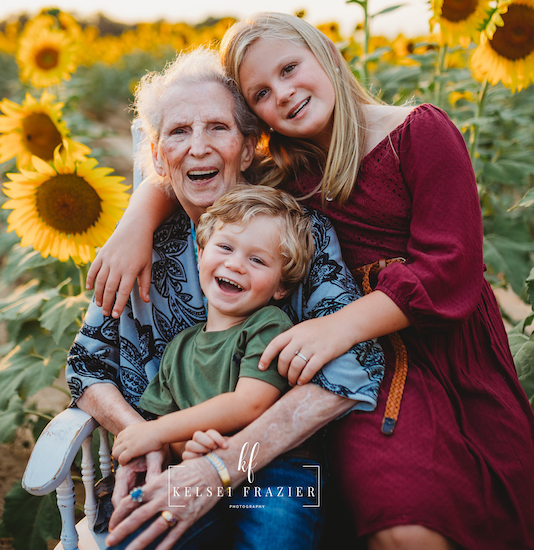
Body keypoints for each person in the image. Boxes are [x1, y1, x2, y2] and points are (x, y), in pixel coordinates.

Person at [102, 14, 534, 550]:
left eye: (290, 69)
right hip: (370, 369)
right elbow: (197, 164)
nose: (284, 94)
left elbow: (450, 268)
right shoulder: (287, 170)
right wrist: (137, 217)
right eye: (262, 92)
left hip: (441, 347)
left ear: (328, 54)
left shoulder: (418, 131)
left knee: (462, 505)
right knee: (399, 515)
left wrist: (336, 328)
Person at [66, 47, 382, 548]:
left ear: (249, 145)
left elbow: (352, 366)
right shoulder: (141, 249)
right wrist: (144, 440)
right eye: (177, 132)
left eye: (217, 127)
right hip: (171, 461)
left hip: (277, 469)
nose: (197, 148)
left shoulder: (296, 232)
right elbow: (88, 365)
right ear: (156, 156)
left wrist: (226, 463)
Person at [110, 185, 324, 549]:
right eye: (225, 247)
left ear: (281, 286)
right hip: (194, 470)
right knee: (136, 535)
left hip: (273, 471)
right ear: (200, 253)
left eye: (258, 260)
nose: (236, 264)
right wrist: (185, 447)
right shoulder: (179, 349)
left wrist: (157, 431)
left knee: (276, 537)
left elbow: (250, 404)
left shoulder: (268, 325)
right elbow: (175, 433)